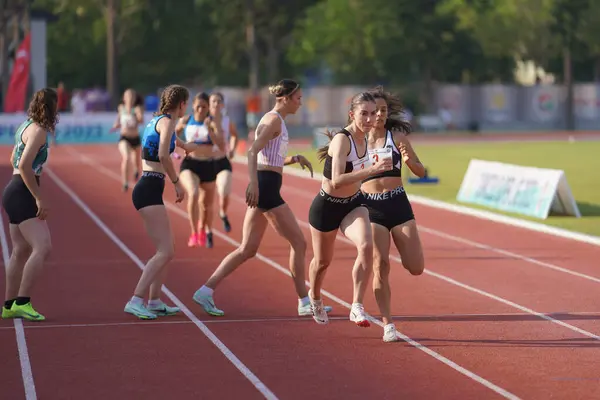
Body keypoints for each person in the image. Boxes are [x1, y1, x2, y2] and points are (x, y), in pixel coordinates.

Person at [192, 78, 332, 317]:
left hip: (266, 185)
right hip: (266, 189)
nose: (300, 103)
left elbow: (269, 158)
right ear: (286, 98)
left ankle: (206, 290)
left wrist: (293, 159)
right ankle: (303, 301)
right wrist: (254, 184)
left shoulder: (276, 120)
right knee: (299, 243)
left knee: (247, 248)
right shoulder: (273, 120)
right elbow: (252, 150)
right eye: (298, 98)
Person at [307, 91, 392, 327]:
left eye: (373, 113)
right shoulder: (342, 140)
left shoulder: (369, 139)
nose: (369, 119)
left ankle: (356, 306)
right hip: (327, 206)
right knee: (322, 262)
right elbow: (336, 180)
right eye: (363, 114)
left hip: (353, 204)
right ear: (352, 114)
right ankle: (314, 297)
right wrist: (372, 170)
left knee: (366, 245)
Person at [125, 84, 199, 320]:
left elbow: (169, 141)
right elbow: (163, 155)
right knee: (165, 251)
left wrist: (185, 145)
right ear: (181, 104)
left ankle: (155, 301)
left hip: (149, 186)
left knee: (166, 250)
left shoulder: (158, 120)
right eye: (186, 102)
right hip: (148, 187)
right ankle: (136, 299)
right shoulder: (166, 121)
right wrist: (177, 181)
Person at [362, 86, 425, 342]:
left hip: (398, 204)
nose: (379, 115)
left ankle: (399, 246)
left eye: (383, 111)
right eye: (374, 111)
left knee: (416, 267)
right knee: (381, 265)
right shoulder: (357, 141)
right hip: (371, 207)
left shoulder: (397, 137)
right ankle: (388, 323)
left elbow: (421, 172)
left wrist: (410, 162)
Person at [1, 88, 58, 322]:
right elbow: (25, 165)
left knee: (20, 250)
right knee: (43, 246)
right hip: (23, 190)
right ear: (51, 108)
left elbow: (13, 156)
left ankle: (9, 304)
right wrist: (38, 197)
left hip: (13, 188)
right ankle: (22, 302)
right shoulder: (40, 131)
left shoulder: (24, 126)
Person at [175, 92, 225, 249]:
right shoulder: (186, 120)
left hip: (208, 166)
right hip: (190, 164)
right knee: (193, 193)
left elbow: (222, 145)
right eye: (198, 106)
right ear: (193, 106)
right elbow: (172, 134)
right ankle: (193, 232)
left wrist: (210, 130)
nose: (201, 109)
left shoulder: (212, 122)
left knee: (207, 206)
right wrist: (179, 147)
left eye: (204, 107)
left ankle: (203, 229)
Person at [208, 92, 239, 233]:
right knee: (205, 201)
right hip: (205, 162)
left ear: (222, 104)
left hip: (222, 160)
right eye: (213, 101)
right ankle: (206, 229)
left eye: (218, 101)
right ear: (209, 104)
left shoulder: (227, 121)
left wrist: (232, 149)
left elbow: (234, 135)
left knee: (224, 190)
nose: (216, 104)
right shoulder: (204, 121)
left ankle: (222, 212)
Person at [111, 88, 144, 192]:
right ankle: (125, 182)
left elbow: (141, 120)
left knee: (136, 161)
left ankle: (135, 170)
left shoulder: (137, 108)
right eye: (128, 96)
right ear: (124, 98)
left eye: (132, 96)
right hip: (124, 137)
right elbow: (118, 120)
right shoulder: (121, 108)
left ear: (134, 98)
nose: (130, 98)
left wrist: (136, 116)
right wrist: (116, 125)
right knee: (126, 158)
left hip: (135, 138)